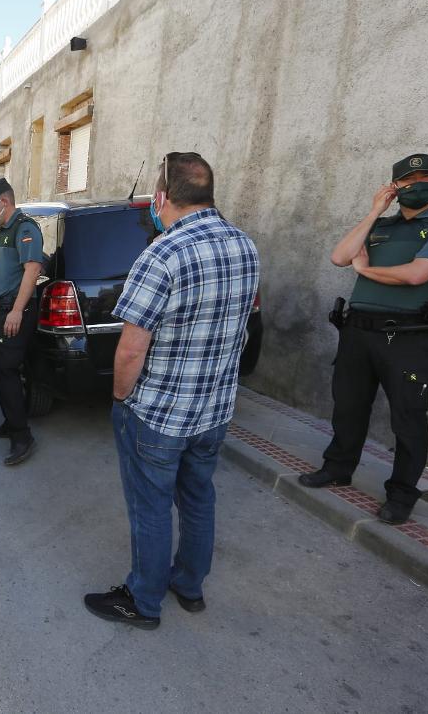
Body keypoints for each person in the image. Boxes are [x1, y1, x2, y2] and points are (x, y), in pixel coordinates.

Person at [84, 153, 260, 629]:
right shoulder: (245, 246)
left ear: (162, 197)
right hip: (215, 411)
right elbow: (241, 329)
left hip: (159, 415)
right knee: (199, 497)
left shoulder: (162, 252)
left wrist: (121, 399)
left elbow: (129, 350)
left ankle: (142, 601)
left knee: (151, 505)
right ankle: (189, 584)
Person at [299, 154, 428, 525]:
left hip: (410, 336)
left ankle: (401, 494)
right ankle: (337, 468)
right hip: (359, 332)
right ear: (395, 187)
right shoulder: (382, 226)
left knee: (408, 418)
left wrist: (366, 270)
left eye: (425, 176)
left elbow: (417, 275)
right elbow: (339, 257)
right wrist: (373, 212)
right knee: (348, 406)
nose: (418, 184)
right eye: (408, 180)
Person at [0, 178, 45, 466]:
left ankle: (22, 436)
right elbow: (4, 271)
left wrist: (17, 310)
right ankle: (11, 421)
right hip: (0, 307)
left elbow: (32, 271)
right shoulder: (3, 230)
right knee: (0, 371)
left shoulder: (24, 227)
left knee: (7, 372)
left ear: (4, 201)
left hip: (14, 312)